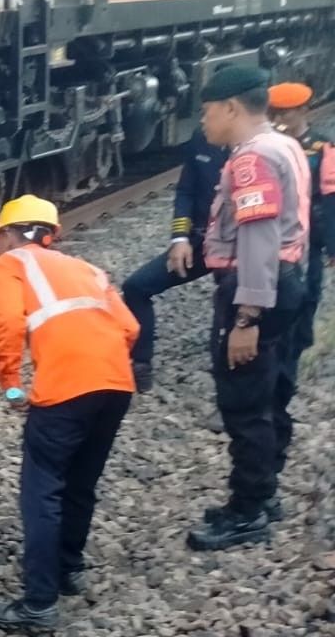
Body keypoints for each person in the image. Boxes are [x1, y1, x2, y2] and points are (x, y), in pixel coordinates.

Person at [0, 195, 139, 630]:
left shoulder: (9, 265)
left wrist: (11, 385)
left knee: (42, 491)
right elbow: (130, 327)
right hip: (116, 384)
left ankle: (38, 605)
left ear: (11, 234)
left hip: (67, 388)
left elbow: (10, 324)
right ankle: (69, 569)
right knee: (80, 482)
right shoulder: (87, 268)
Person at [186, 65, 309, 552]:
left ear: (231, 107)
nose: (203, 122)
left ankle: (248, 510)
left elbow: (258, 238)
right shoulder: (285, 145)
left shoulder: (250, 160)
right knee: (269, 391)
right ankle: (264, 493)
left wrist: (245, 318)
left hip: (256, 287)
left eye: (206, 111)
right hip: (287, 282)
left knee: (244, 404)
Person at [120, 129, 228, 391]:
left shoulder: (259, 147)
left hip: (236, 246)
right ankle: (140, 364)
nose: (203, 120)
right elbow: (186, 191)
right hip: (199, 242)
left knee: (228, 308)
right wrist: (179, 238)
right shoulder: (202, 138)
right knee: (136, 286)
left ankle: (227, 388)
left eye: (208, 111)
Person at [267, 81, 335, 375]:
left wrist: (333, 243)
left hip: (312, 233)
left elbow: (330, 194)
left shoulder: (322, 146)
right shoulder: (269, 143)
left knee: (308, 290)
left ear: (304, 110)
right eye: (276, 112)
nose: (280, 119)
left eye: (287, 112)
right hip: (276, 230)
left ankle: (298, 347)